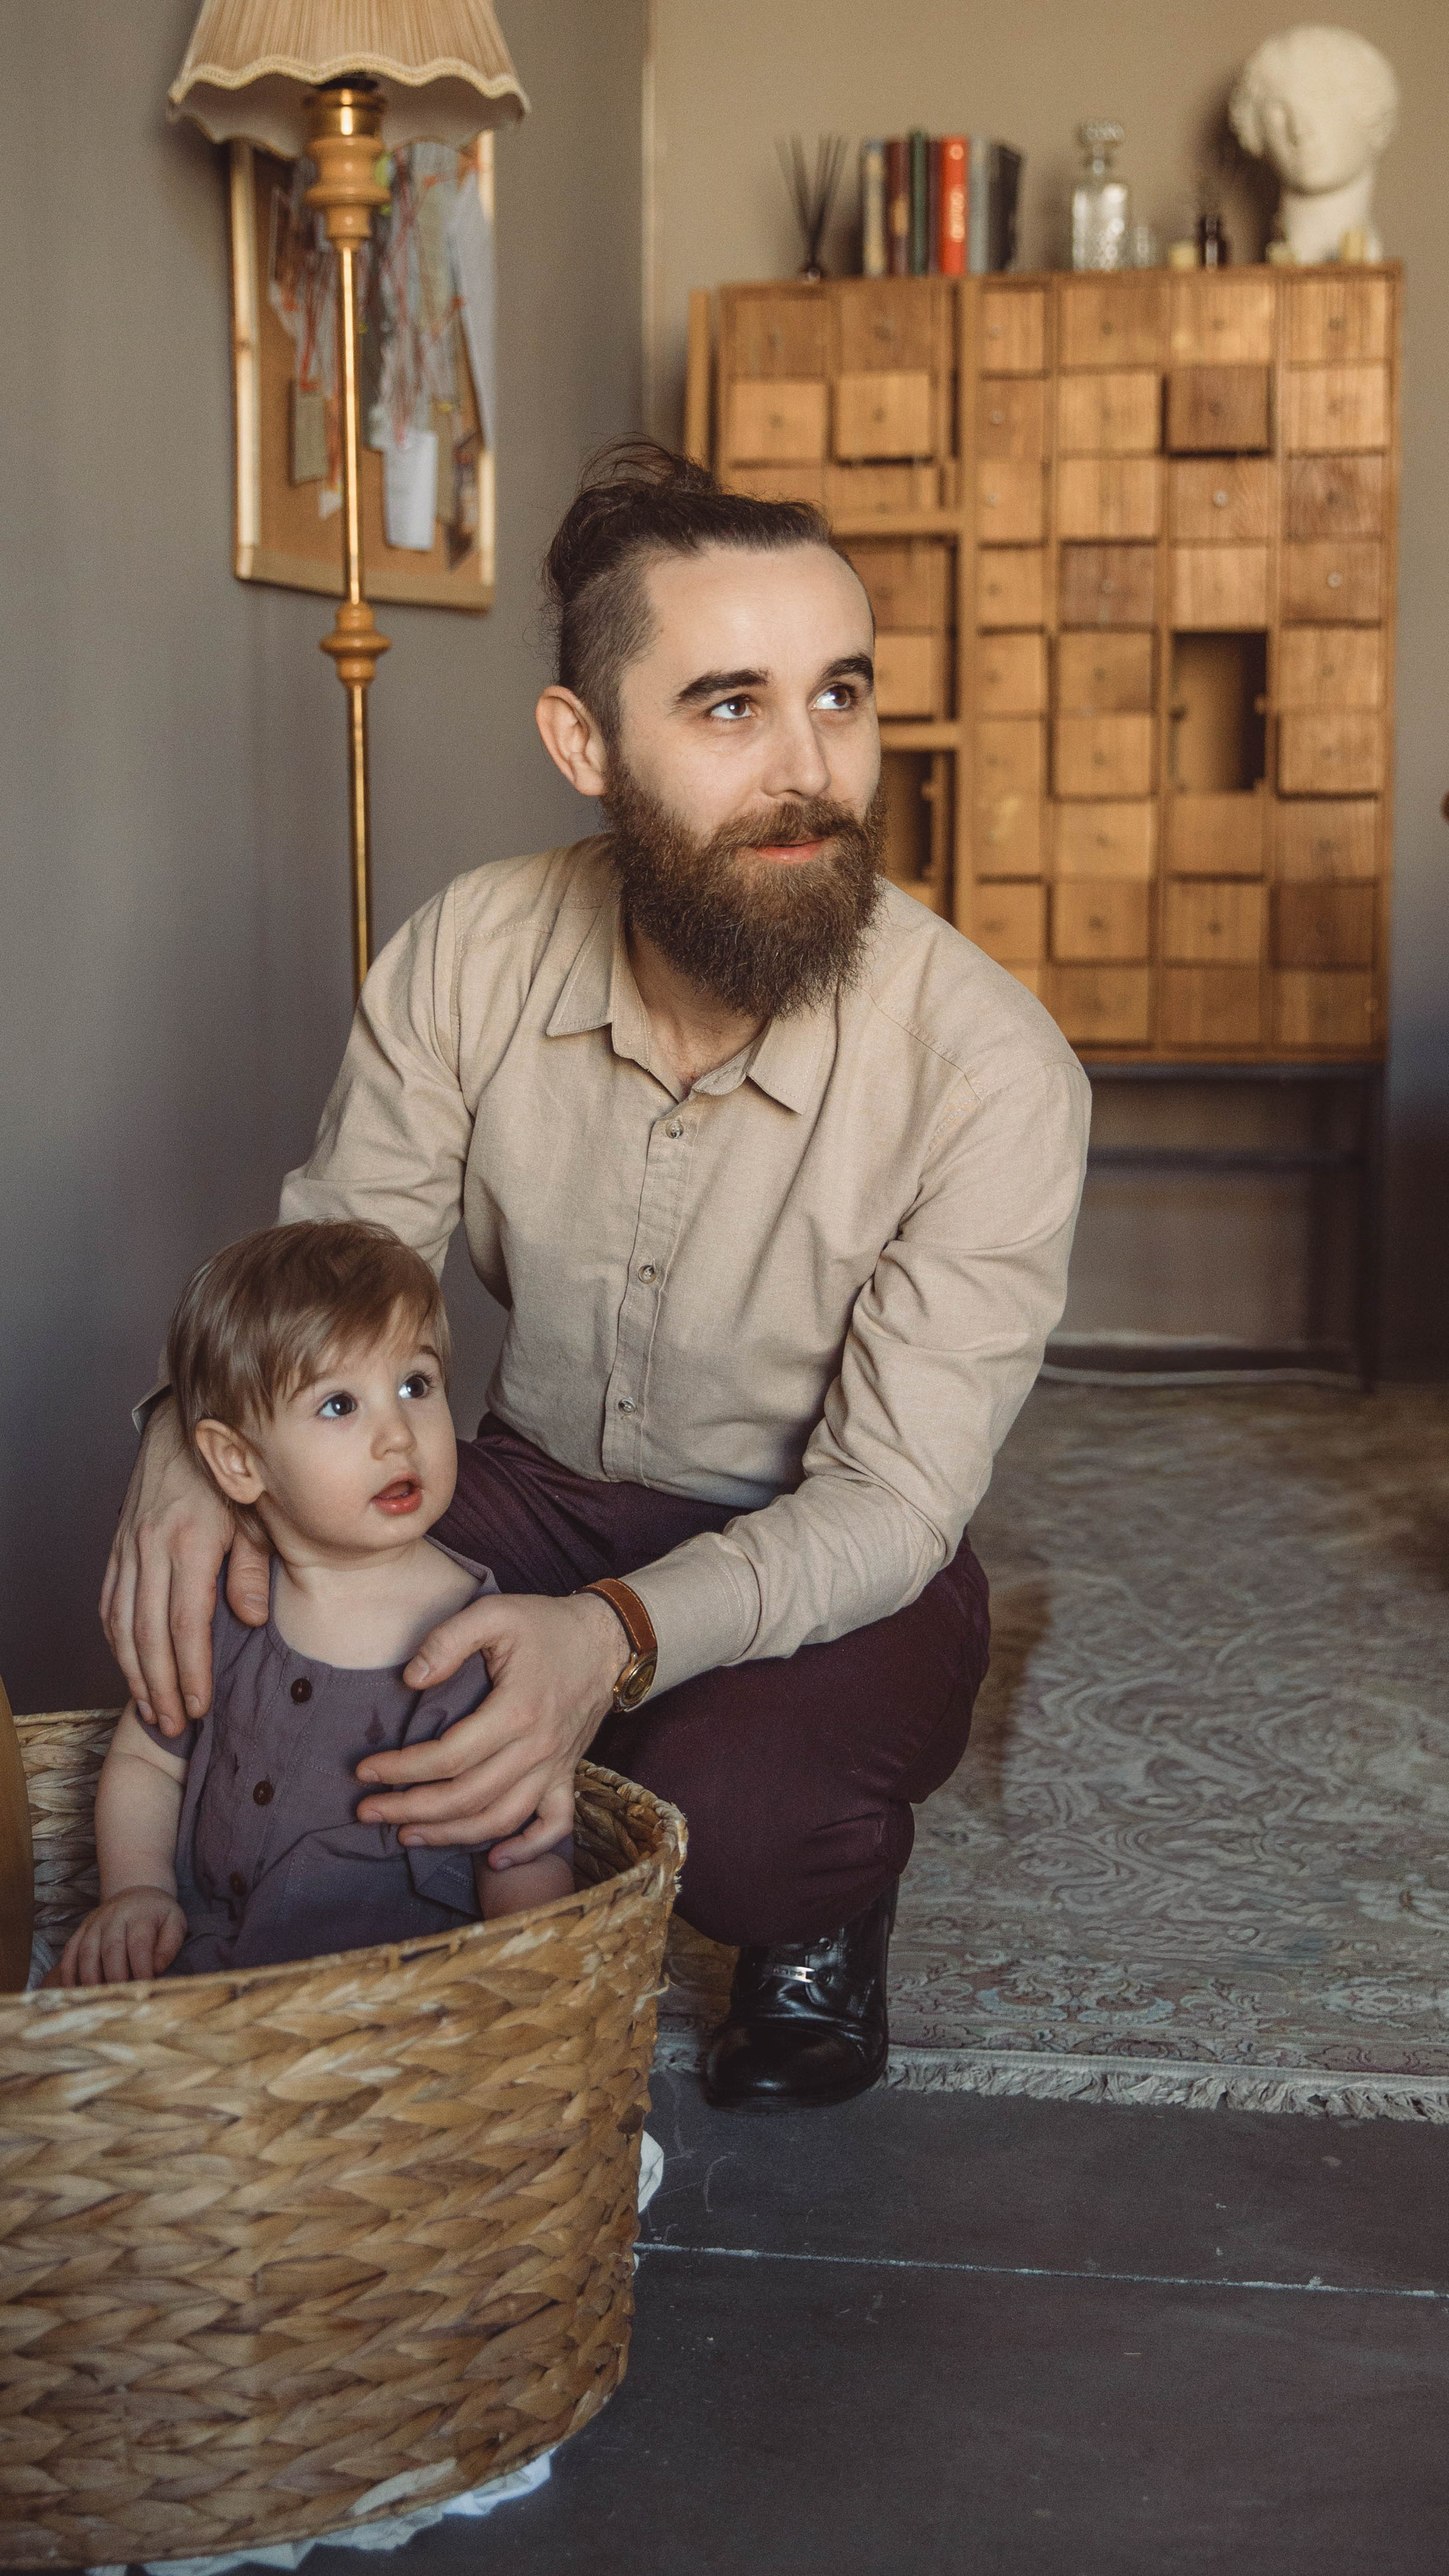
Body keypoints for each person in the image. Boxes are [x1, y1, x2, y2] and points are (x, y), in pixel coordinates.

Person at [101, 440, 1090, 2106]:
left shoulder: (990, 1068)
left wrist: (607, 1641)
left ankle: (816, 1908)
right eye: (729, 706)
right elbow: (331, 1271)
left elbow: (892, 1500)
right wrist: (174, 1450)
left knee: (735, 1817)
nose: (808, 769)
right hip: (532, 1484)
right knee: (243, 1598)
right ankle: (330, 1911)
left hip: (823, 1537)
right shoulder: (469, 950)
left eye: (838, 695)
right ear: (583, 743)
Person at [56, 1221, 573, 1986]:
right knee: (72, 2024)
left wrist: (533, 1975)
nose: (397, 1436)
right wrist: (137, 1893)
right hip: (213, 1974)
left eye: (415, 1386)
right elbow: (145, 1763)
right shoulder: (220, 1611)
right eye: (339, 1405)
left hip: (406, 1995)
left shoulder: (478, 1636)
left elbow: (519, 1841)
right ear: (239, 1463)